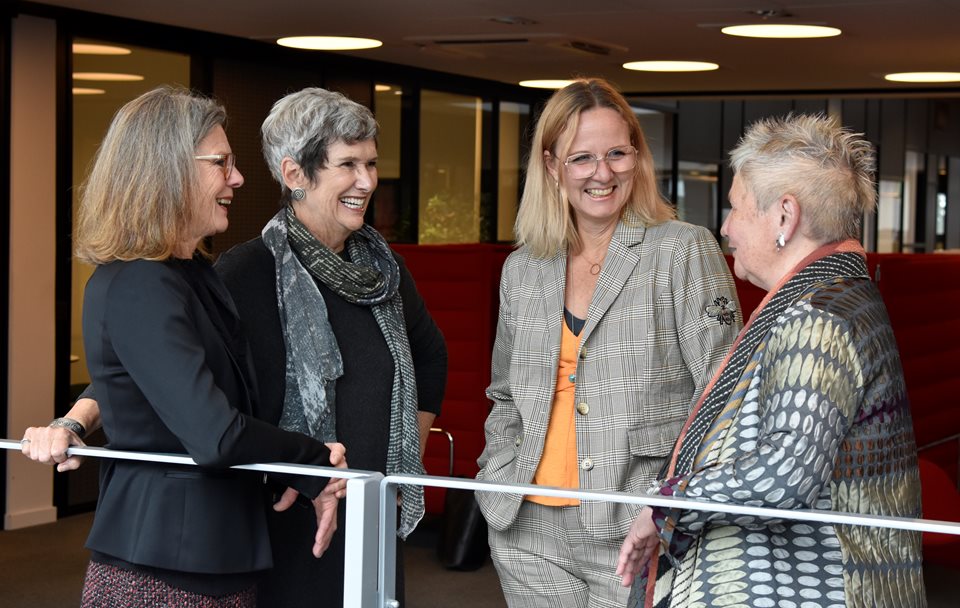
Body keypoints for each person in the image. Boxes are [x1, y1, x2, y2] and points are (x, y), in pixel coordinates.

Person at [23, 87, 447, 607]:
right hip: (233, 527)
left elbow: (165, 375)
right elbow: (176, 399)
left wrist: (394, 466)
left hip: (290, 518)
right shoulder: (216, 274)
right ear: (296, 175)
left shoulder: (198, 274)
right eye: (221, 162)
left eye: (371, 163)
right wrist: (73, 421)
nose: (367, 180)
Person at [617, 114, 926, 608]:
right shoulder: (834, 294)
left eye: (736, 207)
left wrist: (666, 506)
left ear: (785, 216)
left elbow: (786, 473)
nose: (725, 226)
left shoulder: (819, 316)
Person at [475, 77, 740, 608]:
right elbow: (505, 395)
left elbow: (723, 396)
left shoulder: (682, 251)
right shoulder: (523, 268)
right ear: (552, 166)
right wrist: (494, 477)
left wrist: (668, 505)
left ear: (637, 157)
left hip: (634, 524)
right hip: (524, 525)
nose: (602, 173)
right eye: (582, 158)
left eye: (618, 153)